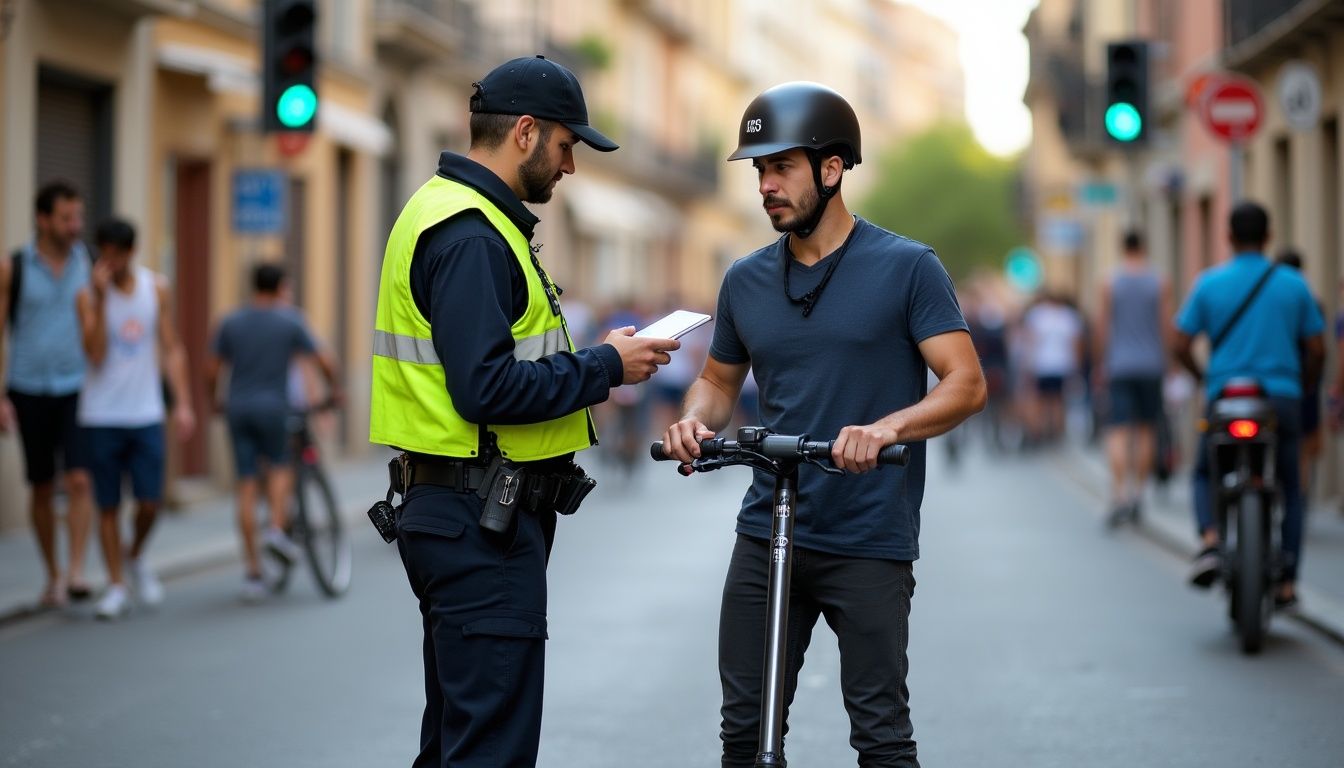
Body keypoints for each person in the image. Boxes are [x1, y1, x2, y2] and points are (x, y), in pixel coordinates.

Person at [659, 81, 986, 768]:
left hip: (868, 533)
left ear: (831, 169)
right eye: (759, 170)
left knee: (881, 737)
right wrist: (692, 421)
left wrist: (887, 429)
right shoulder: (745, 280)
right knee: (745, 735)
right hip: (768, 529)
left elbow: (966, 383)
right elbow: (717, 382)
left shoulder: (908, 268)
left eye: (781, 167)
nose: (765, 186)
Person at [368, 55, 677, 768]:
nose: (569, 166)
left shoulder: (451, 212)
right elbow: (486, 389)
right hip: (479, 521)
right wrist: (606, 366)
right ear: (526, 132)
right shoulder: (473, 234)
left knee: (458, 742)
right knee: (489, 750)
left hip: (459, 510)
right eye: (566, 146)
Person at [1175, 201, 1324, 609]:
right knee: (1291, 487)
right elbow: (1317, 347)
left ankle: (1210, 540)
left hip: (1226, 397)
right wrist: (1302, 384)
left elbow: (1180, 343)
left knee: (1204, 471)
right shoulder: (1293, 284)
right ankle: (1287, 582)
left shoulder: (1208, 283)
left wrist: (1205, 379)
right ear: (1269, 236)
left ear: (1228, 237)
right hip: (1281, 398)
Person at [75, 218, 195, 619]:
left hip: (145, 412)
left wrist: (183, 403)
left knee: (150, 502)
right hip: (101, 414)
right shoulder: (86, 296)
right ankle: (115, 586)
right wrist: (100, 300)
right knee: (108, 505)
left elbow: (171, 346)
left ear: (131, 252)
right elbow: (94, 354)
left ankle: (135, 554)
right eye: (103, 254)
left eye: (116, 255)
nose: (109, 263)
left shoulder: (155, 288)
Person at [204, 263, 341, 602]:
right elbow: (323, 360)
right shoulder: (289, 320)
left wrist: (215, 400)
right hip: (274, 409)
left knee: (246, 484)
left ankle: (253, 574)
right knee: (281, 467)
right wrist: (335, 390)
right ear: (280, 287)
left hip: (238, 408)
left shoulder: (230, 321)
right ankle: (277, 531)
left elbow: (212, 368)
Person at [0, 180, 97, 608]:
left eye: (78, 217)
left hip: (77, 386)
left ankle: (76, 571)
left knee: (79, 479)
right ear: (43, 220)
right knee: (41, 486)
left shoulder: (89, 263)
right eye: (66, 218)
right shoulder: (14, 267)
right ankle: (52, 575)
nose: (75, 225)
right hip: (28, 387)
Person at [1094, 230, 1171, 526]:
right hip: (1151, 365)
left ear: (1122, 248)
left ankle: (1119, 495)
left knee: (1118, 430)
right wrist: (1170, 362)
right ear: (1144, 247)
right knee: (1147, 430)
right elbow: (1165, 325)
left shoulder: (1109, 282)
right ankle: (1138, 494)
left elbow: (1103, 325)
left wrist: (1100, 361)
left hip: (1119, 365)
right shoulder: (1159, 281)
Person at [1275, 249, 1326, 501]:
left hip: (1280, 381)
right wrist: (1311, 381)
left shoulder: (1274, 298)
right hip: (1303, 381)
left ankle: (1291, 491)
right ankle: (1300, 494)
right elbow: (1318, 348)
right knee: (1303, 443)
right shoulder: (1310, 299)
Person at [1021, 290, 1084, 446]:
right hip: (1062, 364)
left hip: (1041, 365)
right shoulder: (1068, 316)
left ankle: (1041, 432)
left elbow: (1030, 341)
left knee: (1040, 401)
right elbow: (1075, 343)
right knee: (1058, 401)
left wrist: (1027, 363)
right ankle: (1056, 433)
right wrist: (1076, 366)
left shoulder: (1037, 315)